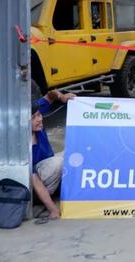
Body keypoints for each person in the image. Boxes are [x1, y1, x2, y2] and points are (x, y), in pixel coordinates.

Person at [31, 89, 75, 220]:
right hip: (35, 185)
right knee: (58, 162)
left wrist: (62, 97)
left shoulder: (36, 117)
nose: (39, 119)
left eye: (39, 115)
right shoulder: (21, 146)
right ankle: (42, 202)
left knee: (73, 153)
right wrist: (52, 209)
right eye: (33, 118)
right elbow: (34, 179)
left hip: (47, 170)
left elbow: (51, 94)